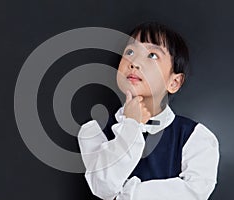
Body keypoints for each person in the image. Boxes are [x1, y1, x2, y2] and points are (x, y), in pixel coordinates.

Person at [77, 22, 219, 200]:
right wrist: (131, 126)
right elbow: (103, 188)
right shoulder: (94, 131)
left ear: (173, 82)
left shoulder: (195, 137)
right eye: (129, 52)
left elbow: (195, 192)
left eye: (152, 55)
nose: (134, 62)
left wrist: (128, 194)